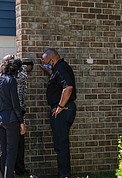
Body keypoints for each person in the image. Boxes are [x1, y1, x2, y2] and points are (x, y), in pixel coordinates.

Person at [40, 48, 76, 178]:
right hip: (63, 109)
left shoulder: (61, 69)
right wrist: (48, 71)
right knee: (61, 143)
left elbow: (68, 88)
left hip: (62, 110)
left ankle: (64, 175)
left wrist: (60, 106)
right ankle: (64, 173)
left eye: (45, 61)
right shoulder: (58, 69)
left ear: (51, 59)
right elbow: (58, 79)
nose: (44, 63)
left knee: (61, 144)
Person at [0, 55, 26, 178]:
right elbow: (15, 104)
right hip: (11, 119)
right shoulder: (11, 80)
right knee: (11, 151)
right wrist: (21, 122)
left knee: (2, 151)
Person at [15, 58, 34, 177]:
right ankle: (19, 169)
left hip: (15, 111)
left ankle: (18, 168)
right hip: (19, 112)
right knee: (19, 142)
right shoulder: (22, 74)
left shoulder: (15, 74)